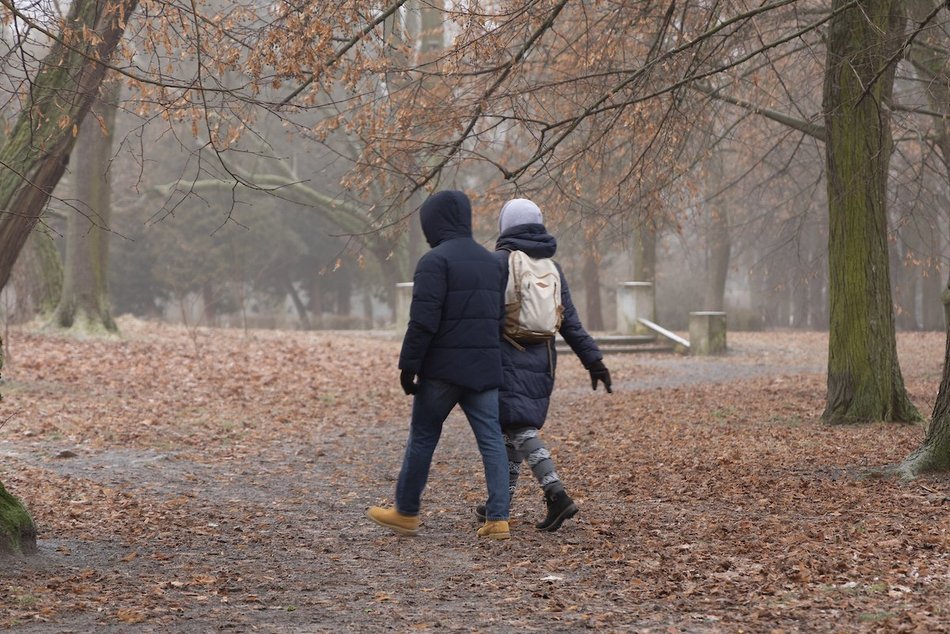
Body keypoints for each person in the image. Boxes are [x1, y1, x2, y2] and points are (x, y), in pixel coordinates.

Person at [367, 190, 512, 540]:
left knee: (423, 437)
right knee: (492, 440)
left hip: (442, 370)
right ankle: (498, 521)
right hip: (484, 369)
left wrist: (408, 366)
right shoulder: (494, 262)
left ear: (435, 222)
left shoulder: (434, 261)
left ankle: (406, 513)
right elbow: (497, 318)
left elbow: (423, 321)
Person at [476, 198, 612, 532]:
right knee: (512, 432)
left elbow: (483, 316)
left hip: (506, 356)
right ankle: (500, 502)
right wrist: (594, 361)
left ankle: (557, 495)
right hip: (542, 359)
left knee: (520, 429)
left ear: (505, 225)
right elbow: (571, 323)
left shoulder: (498, 262)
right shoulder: (552, 267)